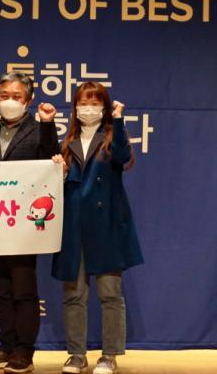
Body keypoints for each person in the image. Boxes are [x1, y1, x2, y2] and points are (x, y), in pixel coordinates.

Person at [51, 82, 143, 374]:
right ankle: (76, 355)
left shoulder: (112, 137)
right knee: (74, 295)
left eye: (94, 102)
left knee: (110, 294)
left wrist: (118, 119)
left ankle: (109, 356)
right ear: (75, 107)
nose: (88, 108)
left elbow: (123, 157)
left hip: (106, 227)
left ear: (104, 107)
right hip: (74, 227)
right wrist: (59, 172)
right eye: (83, 102)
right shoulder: (67, 142)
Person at [0, 72, 59, 374]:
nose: (9, 101)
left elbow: (50, 160)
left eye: (16, 96)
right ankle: (6, 346)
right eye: (4, 96)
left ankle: (24, 351)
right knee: (0, 288)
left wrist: (47, 124)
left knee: (23, 289)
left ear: (29, 100)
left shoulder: (38, 129)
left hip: (24, 224)